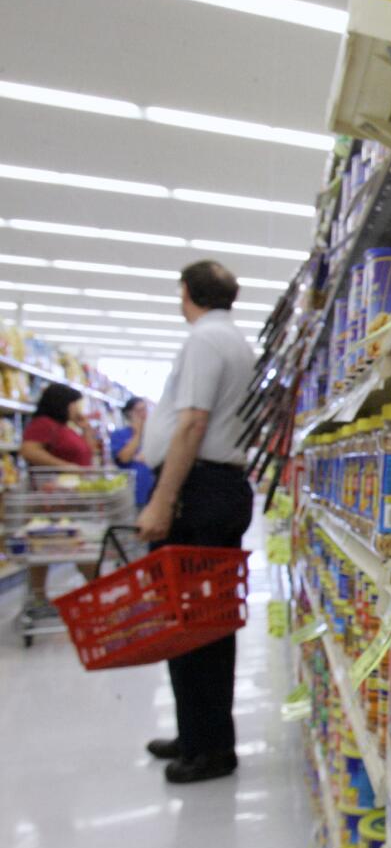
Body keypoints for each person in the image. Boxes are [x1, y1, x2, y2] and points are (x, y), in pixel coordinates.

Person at [137, 259, 256, 784]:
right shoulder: (232, 340)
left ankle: (210, 749)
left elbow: (192, 424)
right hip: (212, 488)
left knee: (196, 622)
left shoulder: (206, 342)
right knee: (194, 619)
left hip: (198, 491)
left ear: (185, 292)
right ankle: (197, 734)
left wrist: (162, 500)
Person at [20, 384, 97, 601]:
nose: (77, 409)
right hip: (52, 500)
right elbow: (29, 450)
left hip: (72, 499)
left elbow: (88, 454)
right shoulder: (44, 424)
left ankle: (98, 591)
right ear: (62, 403)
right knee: (49, 547)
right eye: (75, 404)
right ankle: (40, 598)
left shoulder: (66, 427)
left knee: (77, 546)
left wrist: (86, 430)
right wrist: (65, 465)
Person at [110, 396, 155, 509]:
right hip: (132, 493)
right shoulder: (119, 435)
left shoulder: (154, 434)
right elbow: (124, 458)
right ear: (129, 414)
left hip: (154, 492)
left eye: (145, 409)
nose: (143, 414)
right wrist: (138, 433)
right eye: (139, 410)